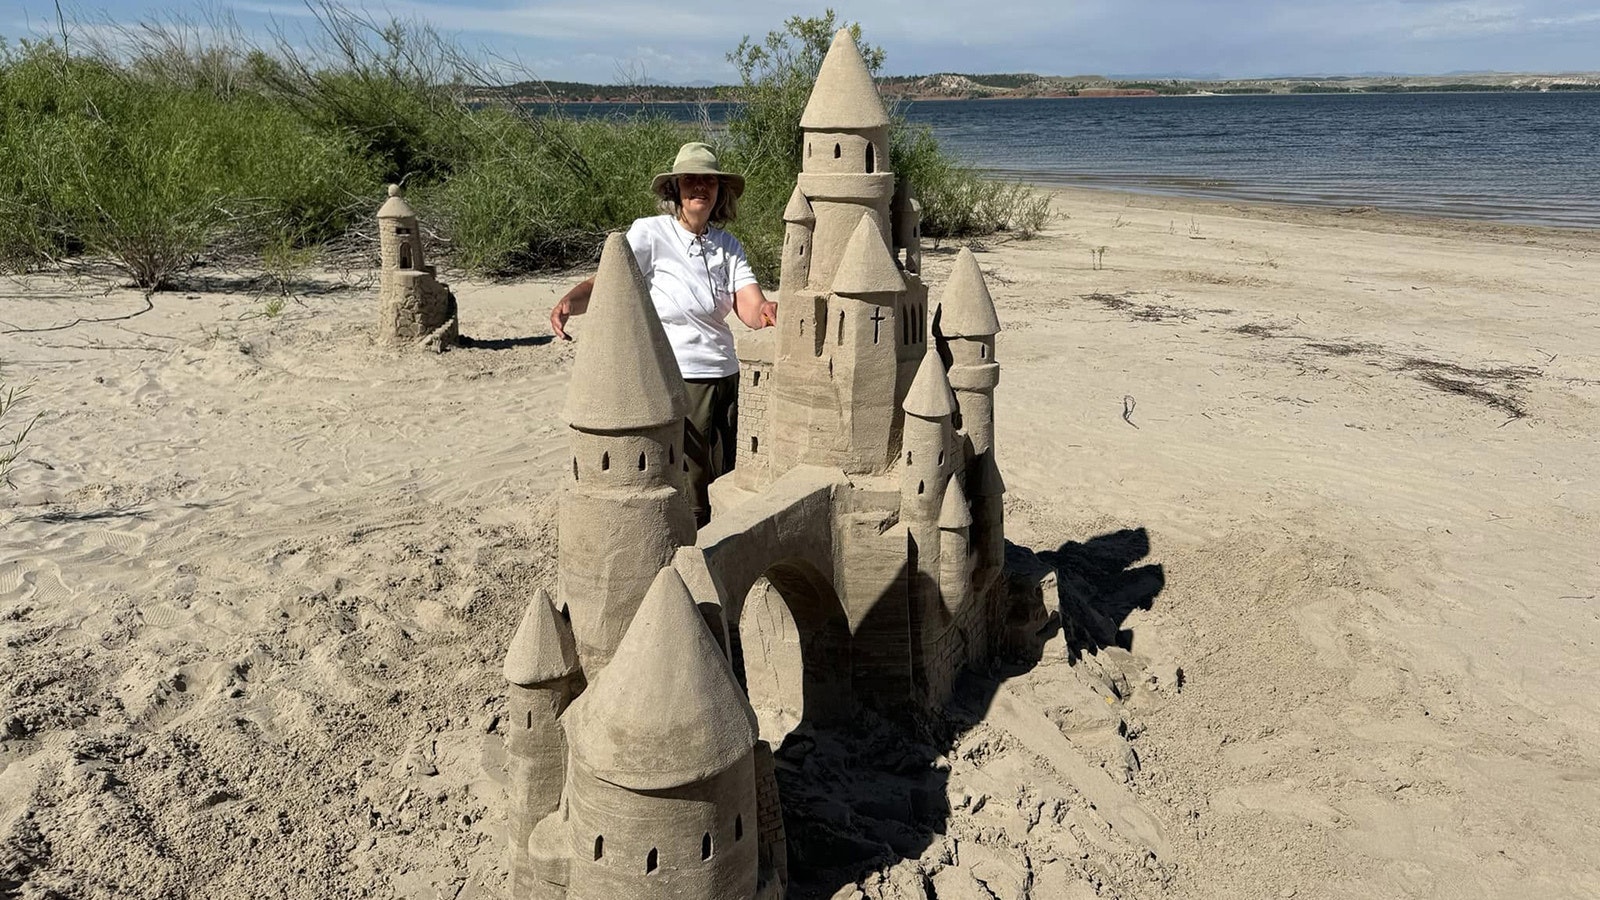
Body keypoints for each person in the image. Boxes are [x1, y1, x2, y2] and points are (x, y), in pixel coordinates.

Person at [550, 142, 777, 526]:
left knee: (726, 473)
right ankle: (688, 558)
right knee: (691, 483)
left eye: (708, 180)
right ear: (675, 189)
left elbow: (751, 307)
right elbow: (611, 280)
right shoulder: (651, 234)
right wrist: (572, 301)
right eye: (690, 180)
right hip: (681, 378)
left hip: (727, 377)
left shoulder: (727, 245)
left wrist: (770, 312)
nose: (699, 187)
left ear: (720, 190)